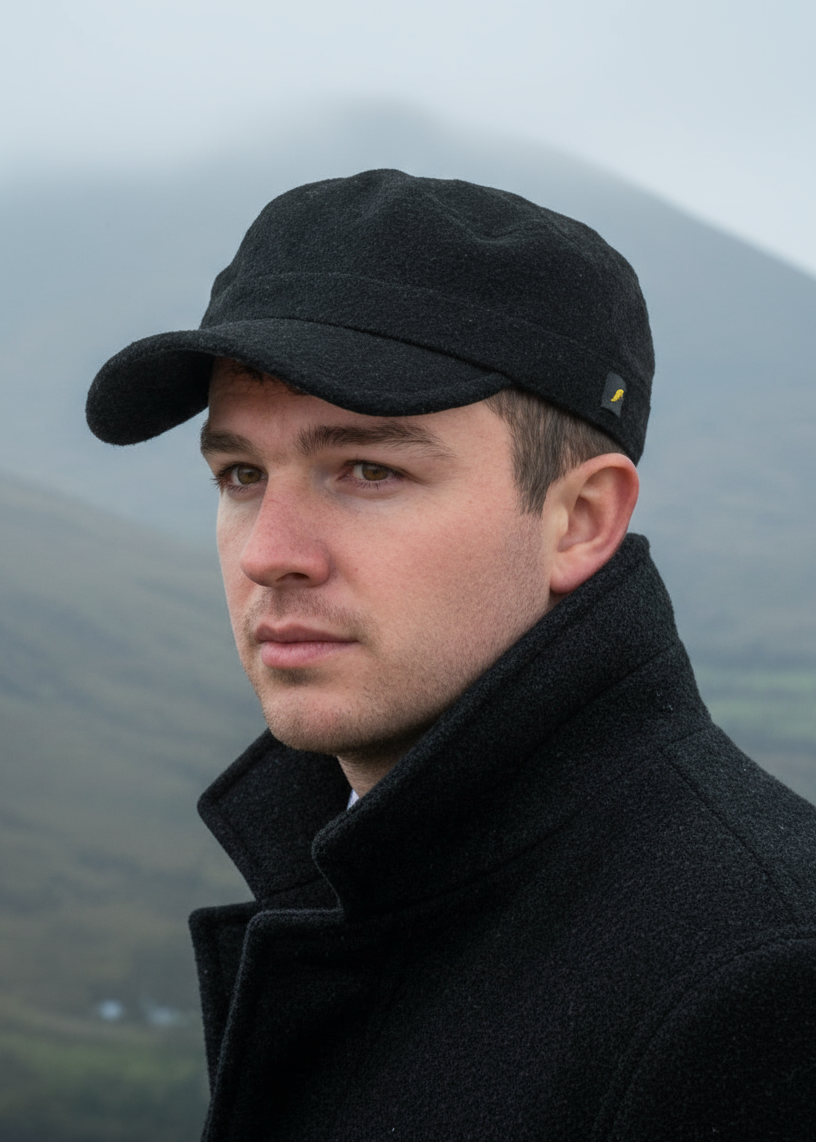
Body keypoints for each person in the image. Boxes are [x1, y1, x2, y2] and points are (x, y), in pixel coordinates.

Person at [86, 169, 816, 1141]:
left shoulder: (762, 985)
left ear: (578, 519)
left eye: (369, 469)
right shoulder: (361, 870)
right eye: (242, 474)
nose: (268, 552)